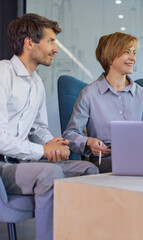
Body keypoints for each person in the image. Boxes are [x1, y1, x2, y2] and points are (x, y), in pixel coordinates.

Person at [0, 13, 99, 240]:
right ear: (29, 43)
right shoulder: (3, 73)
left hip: (24, 163)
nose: (55, 49)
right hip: (3, 166)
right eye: (51, 41)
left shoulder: (36, 83)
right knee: (50, 173)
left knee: (89, 171)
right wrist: (42, 151)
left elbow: (38, 128)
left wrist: (55, 144)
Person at [63, 32, 143, 173]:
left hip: (139, 157)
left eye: (134, 53)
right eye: (127, 52)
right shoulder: (89, 94)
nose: (133, 58)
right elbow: (70, 134)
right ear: (110, 57)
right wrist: (89, 143)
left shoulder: (142, 94)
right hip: (105, 160)